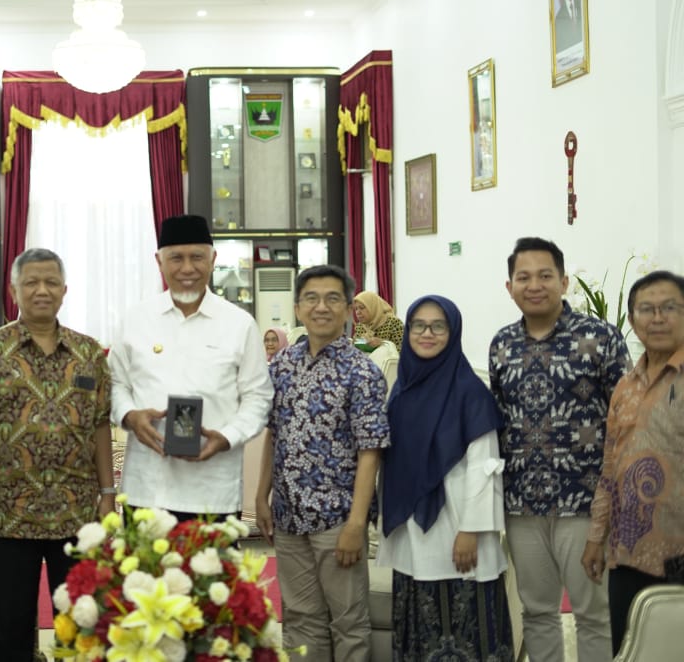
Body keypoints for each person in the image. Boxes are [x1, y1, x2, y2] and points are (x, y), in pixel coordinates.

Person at [0, 248, 113, 662]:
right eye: (31, 282)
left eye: (50, 282)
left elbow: (100, 425)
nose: (41, 290)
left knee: (81, 626)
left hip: (77, 513)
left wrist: (108, 493)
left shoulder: (91, 354)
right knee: (7, 630)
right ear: (14, 290)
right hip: (8, 516)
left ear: (65, 290)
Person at [489, 237, 630, 662]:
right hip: (522, 504)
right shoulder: (501, 345)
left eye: (545, 275)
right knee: (536, 611)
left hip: (585, 502)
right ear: (509, 286)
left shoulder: (601, 338)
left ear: (564, 281)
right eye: (524, 277)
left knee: (592, 612)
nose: (535, 285)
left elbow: (624, 422)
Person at [255, 265, 389, 662]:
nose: (321, 307)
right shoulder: (281, 365)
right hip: (288, 518)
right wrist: (261, 497)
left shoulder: (362, 372)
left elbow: (371, 452)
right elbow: (273, 434)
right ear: (297, 308)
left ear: (349, 309)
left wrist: (355, 523)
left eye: (333, 298)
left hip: (337, 520)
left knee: (348, 621)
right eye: (311, 298)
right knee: (299, 618)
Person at [109, 214, 272, 523]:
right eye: (176, 258)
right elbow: (116, 383)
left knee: (212, 573)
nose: (187, 268)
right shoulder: (136, 320)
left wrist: (226, 436)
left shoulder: (239, 324)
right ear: (159, 262)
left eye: (197, 257)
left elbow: (258, 398)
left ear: (213, 260)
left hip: (214, 491)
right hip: (147, 487)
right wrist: (130, 416)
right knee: (145, 573)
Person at [378, 295, 513, 661]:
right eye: (418, 325)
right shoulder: (401, 390)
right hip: (414, 535)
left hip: (459, 533)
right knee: (420, 631)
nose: (427, 333)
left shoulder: (470, 392)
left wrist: (472, 530)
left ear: (453, 333)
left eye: (439, 326)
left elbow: (485, 466)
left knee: (470, 630)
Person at [582, 270, 684, 654]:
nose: (657, 318)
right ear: (632, 320)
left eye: (669, 308)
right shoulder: (626, 385)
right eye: (646, 309)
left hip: (678, 553)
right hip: (626, 554)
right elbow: (610, 467)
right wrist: (596, 537)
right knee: (629, 649)